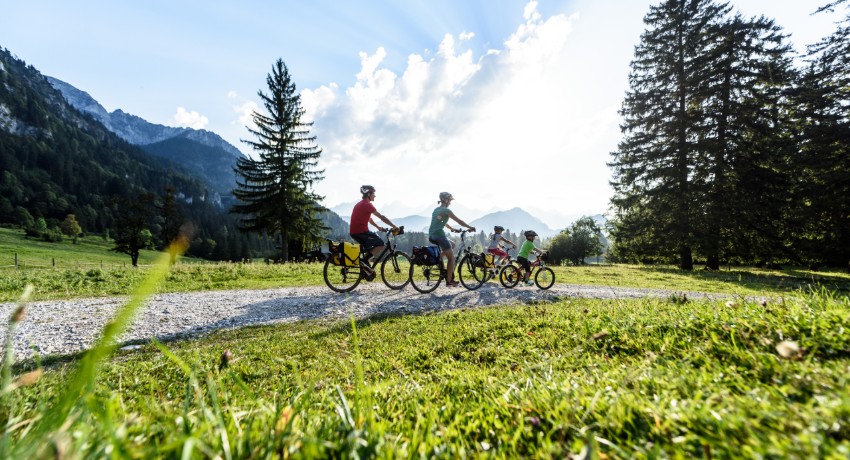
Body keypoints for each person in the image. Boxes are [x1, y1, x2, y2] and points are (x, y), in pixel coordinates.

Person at [428, 192, 475, 287]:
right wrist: (470, 227)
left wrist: (452, 229)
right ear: (446, 200)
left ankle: (440, 258)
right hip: (439, 235)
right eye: (450, 200)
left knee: (452, 244)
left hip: (431, 235)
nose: (450, 202)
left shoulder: (436, 209)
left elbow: (442, 222)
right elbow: (459, 221)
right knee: (451, 258)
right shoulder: (447, 210)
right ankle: (449, 281)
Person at [349, 185, 398, 274]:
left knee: (370, 249)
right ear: (368, 194)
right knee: (381, 244)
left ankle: (366, 268)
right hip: (361, 232)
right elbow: (382, 217)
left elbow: (369, 219)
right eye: (373, 193)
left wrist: (378, 227)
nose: (375, 195)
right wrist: (394, 226)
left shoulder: (360, 204)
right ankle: (364, 262)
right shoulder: (367, 205)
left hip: (354, 232)